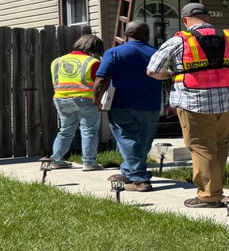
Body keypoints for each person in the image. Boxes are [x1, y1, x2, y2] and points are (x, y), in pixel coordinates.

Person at [146, 3, 229, 208]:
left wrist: (173, 74)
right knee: (220, 144)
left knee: (201, 146)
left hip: (195, 100)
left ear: (184, 20)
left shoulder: (179, 40)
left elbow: (153, 70)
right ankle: (216, 188)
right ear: (208, 17)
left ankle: (209, 196)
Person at [94, 21, 163, 192]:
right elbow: (166, 78)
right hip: (151, 104)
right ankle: (128, 171)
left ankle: (139, 179)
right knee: (143, 142)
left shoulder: (115, 52)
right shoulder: (157, 53)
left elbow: (102, 79)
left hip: (122, 104)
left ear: (126, 35)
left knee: (127, 139)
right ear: (147, 36)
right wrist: (168, 102)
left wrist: (96, 99)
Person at [49, 34, 106, 171]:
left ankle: (56, 160)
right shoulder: (92, 62)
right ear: (94, 48)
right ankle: (89, 162)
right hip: (85, 99)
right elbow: (99, 82)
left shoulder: (56, 61)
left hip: (61, 99)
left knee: (65, 131)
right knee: (89, 131)